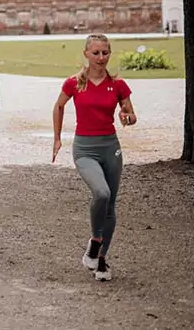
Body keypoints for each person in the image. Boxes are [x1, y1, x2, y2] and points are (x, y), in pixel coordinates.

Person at [52, 33, 137, 282]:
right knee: (101, 193)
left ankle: (101, 260)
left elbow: (131, 115)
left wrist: (127, 118)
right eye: (96, 53)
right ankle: (95, 239)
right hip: (85, 148)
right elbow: (58, 106)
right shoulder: (74, 83)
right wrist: (57, 138)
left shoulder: (118, 85)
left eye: (105, 52)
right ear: (86, 54)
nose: (101, 57)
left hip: (111, 148)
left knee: (110, 206)